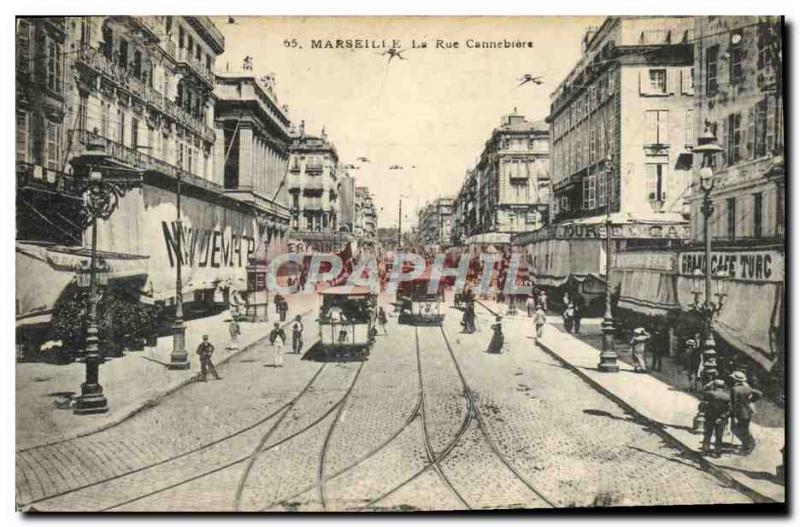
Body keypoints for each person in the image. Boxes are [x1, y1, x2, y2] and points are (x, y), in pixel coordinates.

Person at [729, 371, 763, 454]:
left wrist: (732, 415)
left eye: (733, 378)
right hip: (748, 412)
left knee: (735, 429)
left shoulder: (734, 389)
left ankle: (748, 445)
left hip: (740, 413)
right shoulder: (748, 388)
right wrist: (751, 400)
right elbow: (759, 394)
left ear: (735, 380)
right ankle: (748, 444)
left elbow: (733, 404)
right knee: (744, 429)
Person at [701, 378, 731, 458]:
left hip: (710, 417)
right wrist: (722, 417)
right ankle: (717, 452)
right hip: (721, 419)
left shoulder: (710, 394)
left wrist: (709, 384)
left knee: (708, 434)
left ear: (715, 386)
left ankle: (705, 450)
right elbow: (730, 410)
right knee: (719, 436)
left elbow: (703, 390)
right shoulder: (727, 396)